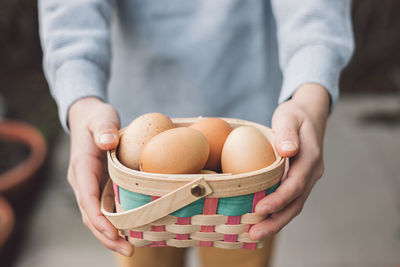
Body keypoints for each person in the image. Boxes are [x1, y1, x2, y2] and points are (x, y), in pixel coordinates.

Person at [39, 0, 354, 266]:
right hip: (135, 157)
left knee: (240, 253)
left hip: (249, 147)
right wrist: (82, 100)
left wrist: (310, 94)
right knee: (142, 253)